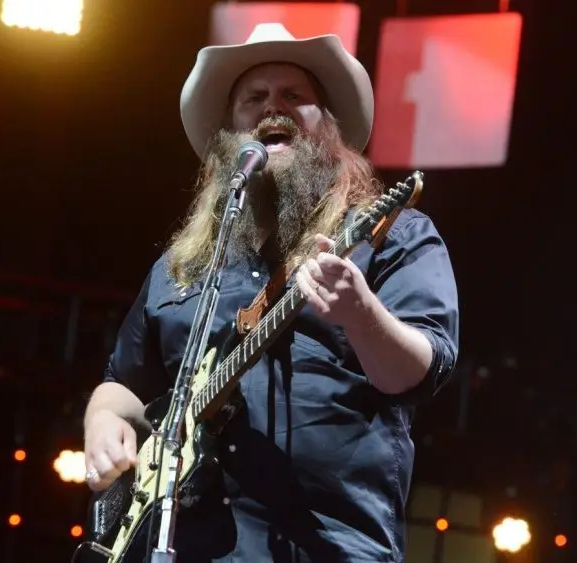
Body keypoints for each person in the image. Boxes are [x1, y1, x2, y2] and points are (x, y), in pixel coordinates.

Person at [82, 23, 460, 563]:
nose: (272, 109)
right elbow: (124, 382)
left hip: (328, 548)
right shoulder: (183, 267)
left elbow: (421, 371)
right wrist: (104, 420)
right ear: (229, 138)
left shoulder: (393, 236)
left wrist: (359, 312)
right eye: (253, 99)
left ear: (326, 126)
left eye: (293, 96)